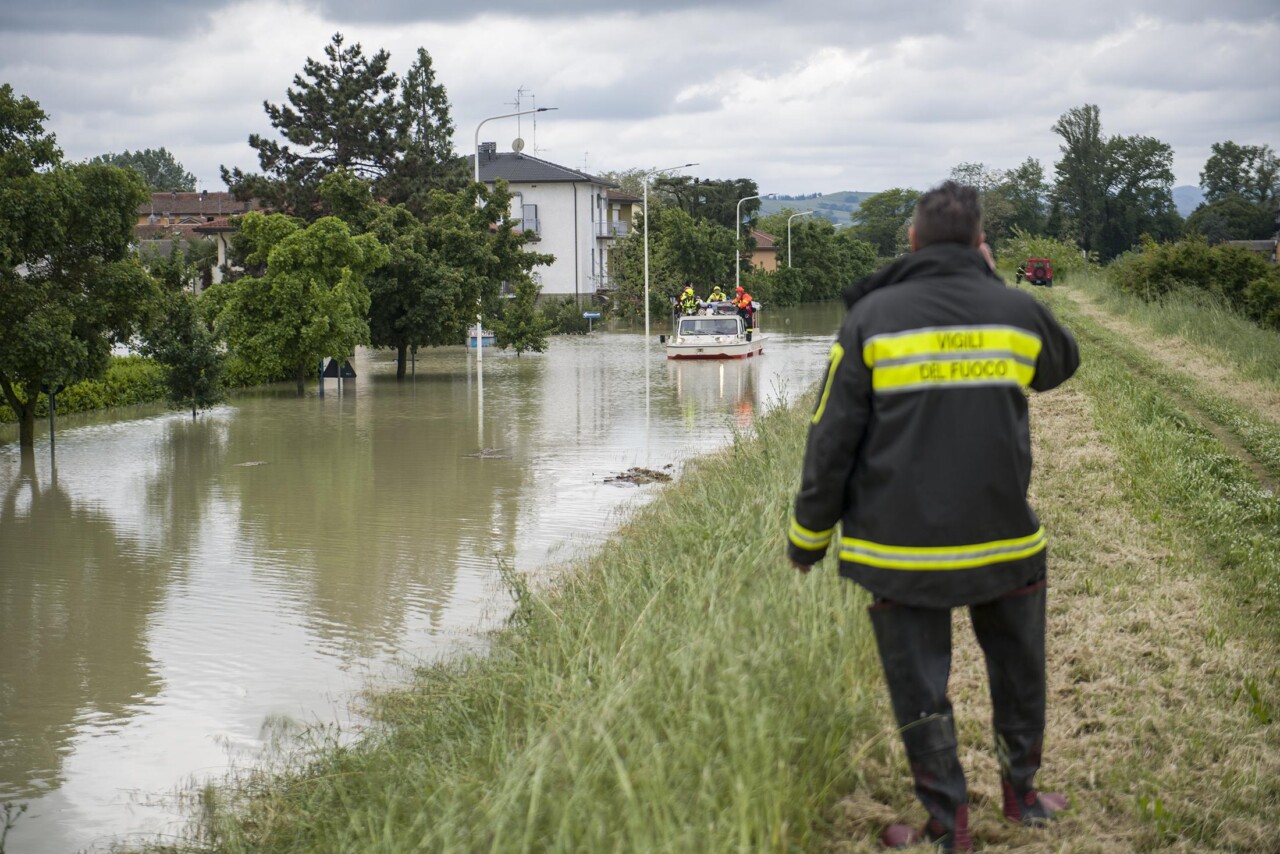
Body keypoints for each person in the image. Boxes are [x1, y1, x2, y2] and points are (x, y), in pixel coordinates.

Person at [786, 181, 1079, 852]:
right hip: (1004, 542)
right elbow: (1061, 365)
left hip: (900, 552)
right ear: (981, 244)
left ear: (912, 241)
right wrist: (995, 283)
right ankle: (1023, 794)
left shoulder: (871, 318)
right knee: (1019, 672)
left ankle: (949, 824)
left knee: (921, 690)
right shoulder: (1014, 310)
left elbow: (830, 439)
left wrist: (808, 540)